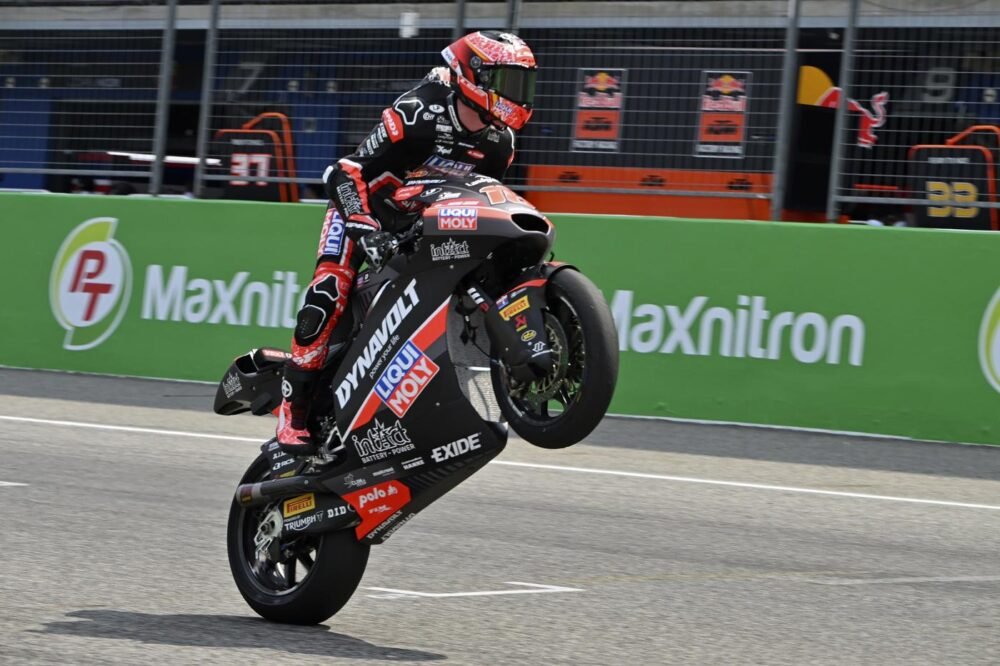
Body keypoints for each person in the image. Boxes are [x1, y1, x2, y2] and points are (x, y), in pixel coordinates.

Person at [276, 30, 538, 454]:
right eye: (509, 81)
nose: (519, 94)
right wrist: (363, 226)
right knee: (330, 287)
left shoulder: (500, 142)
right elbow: (345, 174)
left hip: (424, 219)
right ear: (473, 75)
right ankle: (294, 409)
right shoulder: (419, 110)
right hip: (364, 210)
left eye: (523, 83)